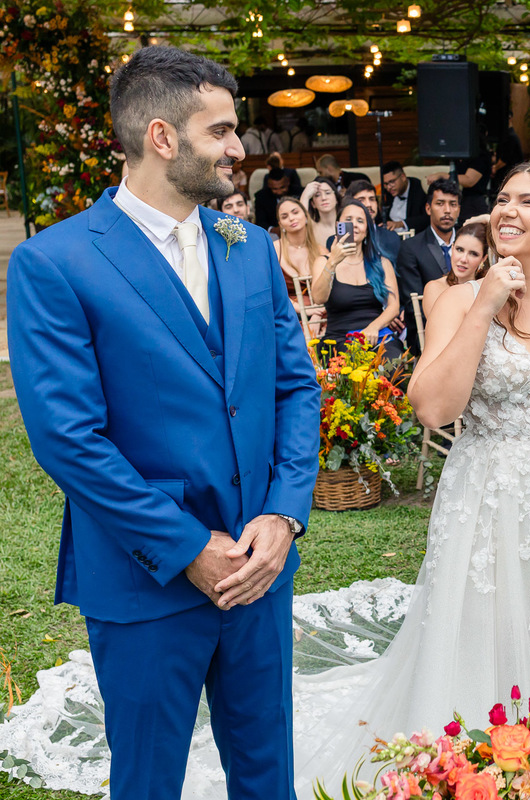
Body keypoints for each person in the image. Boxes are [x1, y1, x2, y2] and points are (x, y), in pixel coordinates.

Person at [291, 161, 530, 789]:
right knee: (491, 651)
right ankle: (482, 775)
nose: (507, 210)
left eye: (527, 200)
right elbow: (434, 408)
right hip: (494, 507)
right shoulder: (460, 299)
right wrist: (486, 303)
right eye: (501, 200)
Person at [6, 45, 319, 800]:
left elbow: (294, 387)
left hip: (259, 567)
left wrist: (283, 514)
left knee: (267, 776)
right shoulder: (56, 263)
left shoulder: (245, 250)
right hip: (145, 580)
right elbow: (68, 439)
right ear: (162, 137)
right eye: (222, 132)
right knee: (148, 783)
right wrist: (185, 546)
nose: (241, 151)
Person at [310, 198, 402, 359]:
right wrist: (333, 262)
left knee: (394, 364)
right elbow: (318, 298)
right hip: (339, 339)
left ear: (367, 229)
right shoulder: (323, 261)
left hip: (377, 335)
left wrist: (373, 328)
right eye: (348, 220)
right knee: (355, 367)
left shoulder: (381, 262)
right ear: (338, 225)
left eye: (360, 221)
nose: (354, 225)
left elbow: (393, 307)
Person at [394, 178, 462, 354]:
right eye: (440, 203)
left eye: (453, 204)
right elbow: (412, 304)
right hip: (428, 329)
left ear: (459, 209)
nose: (447, 210)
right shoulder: (411, 248)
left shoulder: (472, 245)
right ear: (428, 208)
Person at [274, 196, 327, 333]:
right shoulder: (275, 250)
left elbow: (331, 289)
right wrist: (302, 310)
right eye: (285, 216)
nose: (291, 218)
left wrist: (316, 315)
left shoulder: (321, 251)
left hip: (321, 314)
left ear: (305, 216)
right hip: (289, 314)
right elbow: (272, 290)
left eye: (295, 212)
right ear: (280, 224)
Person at [421, 221, 488, 315]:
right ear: (452, 248)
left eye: (473, 254)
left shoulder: (488, 289)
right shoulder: (435, 288)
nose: (464, 259)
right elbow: (438, 328)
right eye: (459, 250)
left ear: (483, 258)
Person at [344, 179, 403, 268]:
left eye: (372, 199)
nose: (368, 204)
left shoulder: (391, 237)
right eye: (361, 200)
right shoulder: (337, 240)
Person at [380, 161, 428, 232]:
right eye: (386, 184)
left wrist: (401, 224)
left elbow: (427, 218)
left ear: (403, 177)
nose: (389, 187)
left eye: (392, 182)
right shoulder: (388, 192)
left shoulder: (419, 188)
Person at [300, 176, 339, 252]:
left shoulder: (347, 223)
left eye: (327, 193)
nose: (324, 198)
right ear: (313, 204)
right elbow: (300, 219)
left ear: (336, 198)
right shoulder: (310, 227)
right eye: (317, 195)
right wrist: (305, 196)